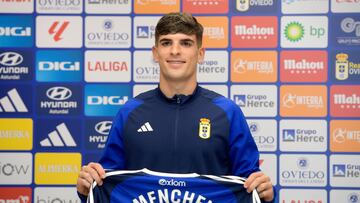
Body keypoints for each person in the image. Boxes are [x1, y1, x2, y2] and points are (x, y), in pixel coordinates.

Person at [77, 12, 275, 203]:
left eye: (186, 43)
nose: (175, 51)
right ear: (155, 53)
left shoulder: (227, 112)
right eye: (166, 43)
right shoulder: (130, 112)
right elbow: (111, 184)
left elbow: (248, 185)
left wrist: (266, 193)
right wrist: (88, 188)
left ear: (200, 54)